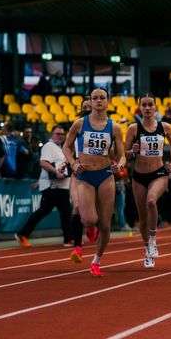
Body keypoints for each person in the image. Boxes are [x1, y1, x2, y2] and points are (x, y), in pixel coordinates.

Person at [63, 87, 126, 277]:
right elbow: (66, 147)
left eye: (102, 98)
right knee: (89, 219)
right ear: (90, 102)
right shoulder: (79, 124)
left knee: (106, 225)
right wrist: (73, 163)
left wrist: (120, 165)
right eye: (95, 98)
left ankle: (96, 261)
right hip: (85, 176)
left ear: (108, 101)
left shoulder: (114, 127)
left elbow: (122, 155)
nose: (98, 101)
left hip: (105, 175)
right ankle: (90, 228)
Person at [125, 93, 171, 269]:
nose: (147, 108)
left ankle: (153, 239)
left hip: (158, 173)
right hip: (139, 176)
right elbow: (123, 153)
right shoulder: (133, 128)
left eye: (150, 105)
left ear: (155, 108)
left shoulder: (166, 127)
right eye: (144, 105)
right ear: (140, 108)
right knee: (142, 219)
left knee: (151, 201)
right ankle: (148, 250)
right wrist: (132, 150)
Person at [14, 125, 73, 248]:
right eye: (58, 134)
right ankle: (22, 234)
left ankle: (68, 239)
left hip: (61, 186)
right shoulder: (48, 146)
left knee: (64, 212)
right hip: (52, 186)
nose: (61, 136)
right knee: (46, 211)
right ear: (52, 134)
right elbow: (43, 163)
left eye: (62, 134)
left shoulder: (61, 148)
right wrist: (56, 172)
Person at [67, 97, 92, 263]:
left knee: (92, 216)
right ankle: (77, 248)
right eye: (84, 107)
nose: (87, 109)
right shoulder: (76, 125)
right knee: (76, 207)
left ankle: (92, 226)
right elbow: (68, 148)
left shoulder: (106, 125)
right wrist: (69, 162)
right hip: (78, 172)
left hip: (97, 173)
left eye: (89, 107)